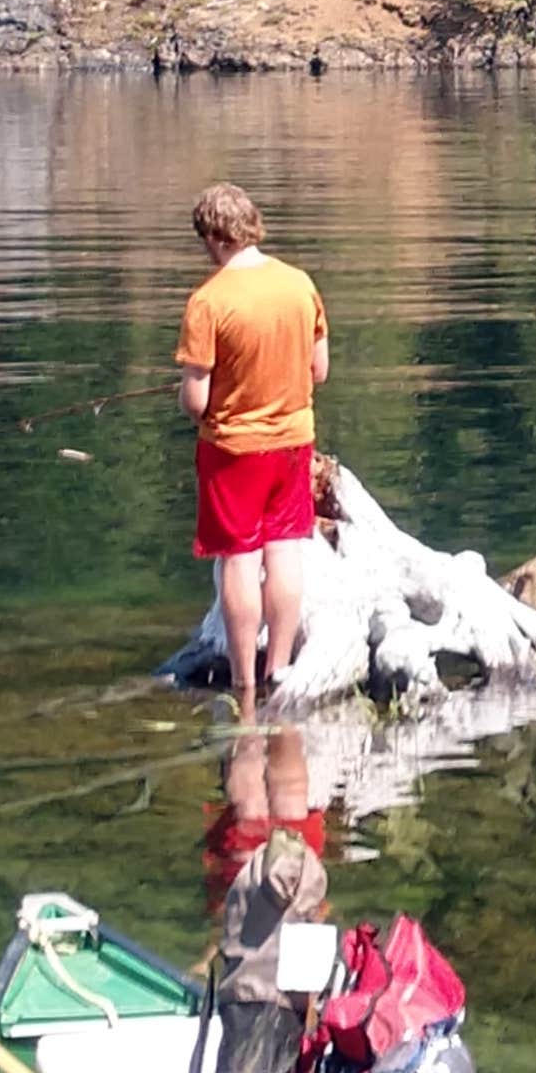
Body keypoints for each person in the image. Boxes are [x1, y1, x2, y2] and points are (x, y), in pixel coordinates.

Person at [175, 183, 329, 724]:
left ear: (214, 238)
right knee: (284, 550)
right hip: (293, 443)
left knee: (239, 559)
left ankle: (243, 684)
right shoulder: (299, 285)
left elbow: (196, 401)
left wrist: (193, 396)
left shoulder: (209, 301)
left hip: (234, 451)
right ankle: (280, 669)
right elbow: (319, 371)